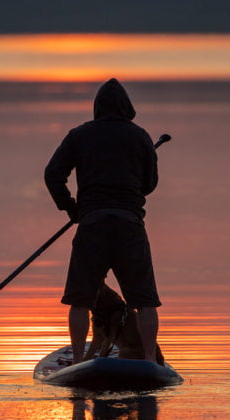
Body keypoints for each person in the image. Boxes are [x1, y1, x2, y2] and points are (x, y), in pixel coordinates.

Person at [44, 78, 161, 364]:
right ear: (127, 107)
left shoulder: (79, 135)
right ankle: (148, 360)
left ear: (97, 107)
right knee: (144, 301)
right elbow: (149, 184)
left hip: (92, 226)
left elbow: (52, 175)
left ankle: (80, 359)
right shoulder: (140, 136)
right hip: (129, 227)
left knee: (80, 300)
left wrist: (71, 208)